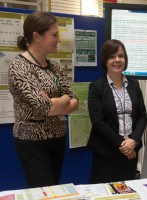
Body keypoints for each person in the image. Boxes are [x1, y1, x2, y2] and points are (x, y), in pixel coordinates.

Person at [8, 11, 79, 188]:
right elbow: (46, 107)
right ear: (36, 36)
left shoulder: (54, 66)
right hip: (32, 142)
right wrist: (63, 100)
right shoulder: (18, 67)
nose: (59, 39)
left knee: (53, 190)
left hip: (57, 138)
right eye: (54, 35)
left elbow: (75, 100)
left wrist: (58, 102)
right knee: (42, 192)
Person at [87, 39, 147, 183]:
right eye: (112, 56)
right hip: (107, 152)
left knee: (127, 191)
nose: (117, 60)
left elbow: (142, 116)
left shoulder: (134, 84)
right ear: (105, 60)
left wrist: (134, 140)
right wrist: (124, 145)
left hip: (131, 150)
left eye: (121, 56)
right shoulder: (96, 87)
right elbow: (98, 122)